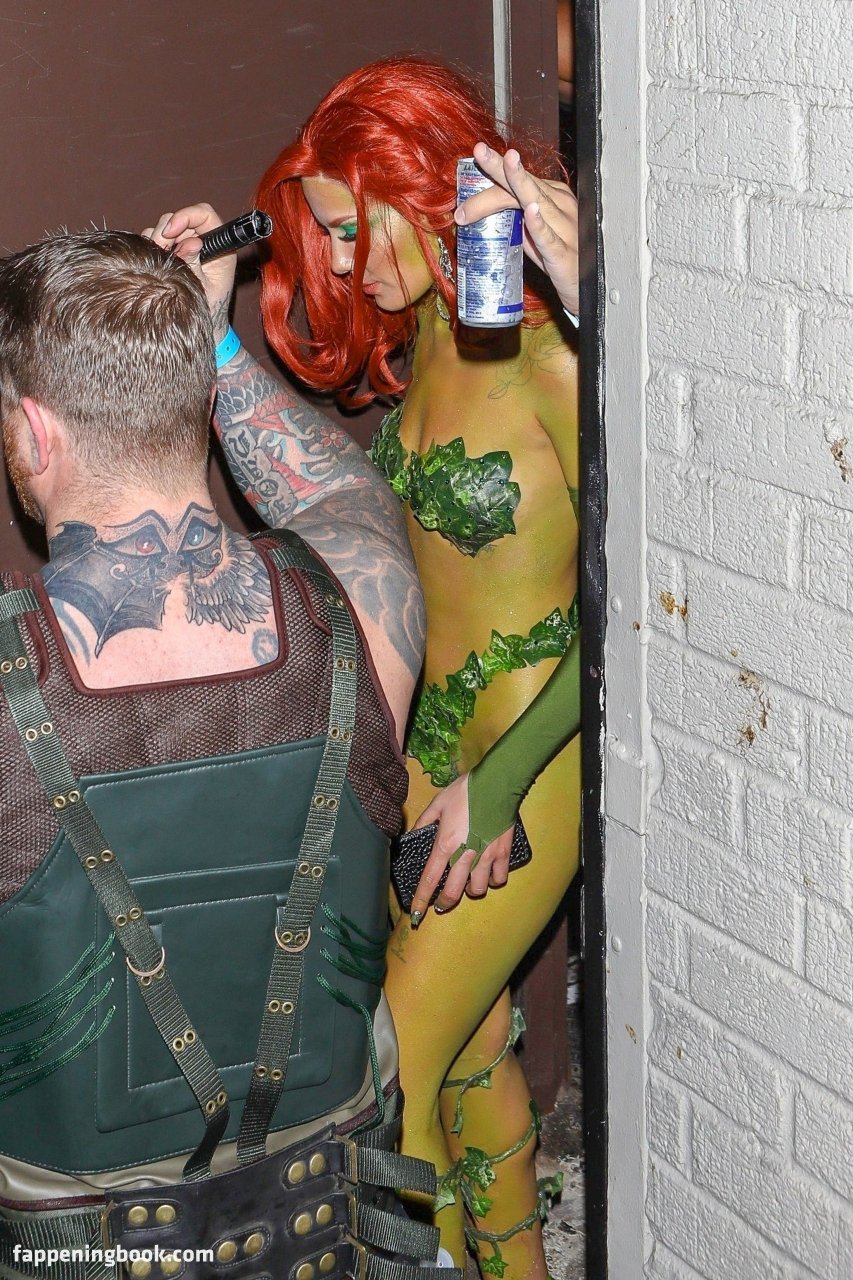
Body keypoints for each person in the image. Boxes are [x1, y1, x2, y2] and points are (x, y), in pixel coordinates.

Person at [150, 54, 581, 1280]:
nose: (341, 264)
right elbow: (328, 494)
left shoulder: (550, 358)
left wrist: (501, 785)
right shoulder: (439, 336)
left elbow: (630, 610)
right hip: (432, 742)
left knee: (395, 1066)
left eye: (352, 226)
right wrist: (212, 326)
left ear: (421, 185)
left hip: (530, 753)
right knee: (472, 1054)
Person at [0, 230, 454, 1280]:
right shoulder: (360, 605)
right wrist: (213, 340)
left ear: (34, 428)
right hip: (337, 1235)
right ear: (202, 399)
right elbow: (341, 493)